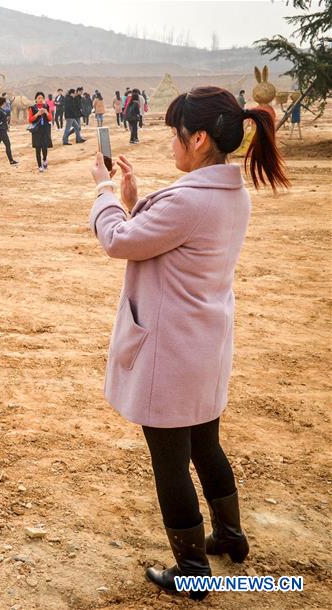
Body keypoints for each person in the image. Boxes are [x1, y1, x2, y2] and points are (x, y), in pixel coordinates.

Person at [88, 86, 288, 601]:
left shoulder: (188, 200)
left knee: (170, 461)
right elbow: (165, 235)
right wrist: (136, 202)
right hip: (203, 346)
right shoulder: (228, 192)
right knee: (205, 443)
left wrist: (105, 195)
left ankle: (193, 569)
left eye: (176, 135)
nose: (172, 144)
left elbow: (119, 241)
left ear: (199, 139)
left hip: (168, 351)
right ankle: (230, 535)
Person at [28, 91, 52, 172]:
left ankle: (44, 160)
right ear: (36, 99)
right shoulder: (32, 108)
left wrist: (46, 112)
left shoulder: (46, 106)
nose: (40, 99)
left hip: (45, 130)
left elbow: (50, 119)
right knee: (37, 149)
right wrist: (37, 114)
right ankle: (39, 166)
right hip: (36, 131)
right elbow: (30, 120)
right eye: (39, 98)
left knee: (45, 148)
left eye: (42, 98)